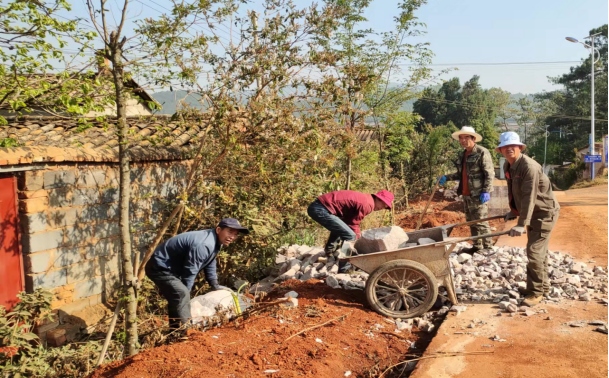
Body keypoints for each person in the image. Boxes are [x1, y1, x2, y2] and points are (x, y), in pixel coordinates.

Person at [145, 218, 249, 328]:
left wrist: (214, 284)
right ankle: (184, 331)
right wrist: (186, 292)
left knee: (178, 297)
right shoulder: (204, 244)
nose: (232, 237)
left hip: (171, 269)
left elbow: (210, 260)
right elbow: (191, 270)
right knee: (182, 293)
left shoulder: (215, 240)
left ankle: (175, 331)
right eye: (230, 232)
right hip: (160, 268)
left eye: (235, 234)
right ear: (218, 230)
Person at [496, 132, 560, 307]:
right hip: (532, 212)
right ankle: (542, 286)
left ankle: (536, 292)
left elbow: (529, 197)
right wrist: (513, 210)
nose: (509, 149)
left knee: (534, 251)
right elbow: (515, 192)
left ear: (519, 148)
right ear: (500, 150)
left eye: (513, 146)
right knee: (538, 252)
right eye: (505, 147)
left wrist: (520, 224)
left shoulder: (529, 167)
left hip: (543, 213)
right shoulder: (508, 166)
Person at [438, 126, 495, 254]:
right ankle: (477, 246)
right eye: (461, 138)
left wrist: (486, 191)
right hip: (466, 193)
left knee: (481, 221)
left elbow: (489, 174)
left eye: (466, 137)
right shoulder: (463, 155)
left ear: (473, 138)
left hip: (478, 194)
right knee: (471, 221)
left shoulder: (481, 152)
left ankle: (488, 248)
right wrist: (446, 177)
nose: (463, 141)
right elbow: (460, 174)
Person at [307, 190, 394, 272]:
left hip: (319, 206)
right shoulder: (368, 204)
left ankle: (330, 253)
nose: (382, 208)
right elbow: (353, 223)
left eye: (385, 207)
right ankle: (344, 269)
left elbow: (349, 221)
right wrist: (357, 238)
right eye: (383, 204)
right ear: (378, 198)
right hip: (320, 209)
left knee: (342, 227)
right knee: (350, 236)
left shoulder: (367, 199)